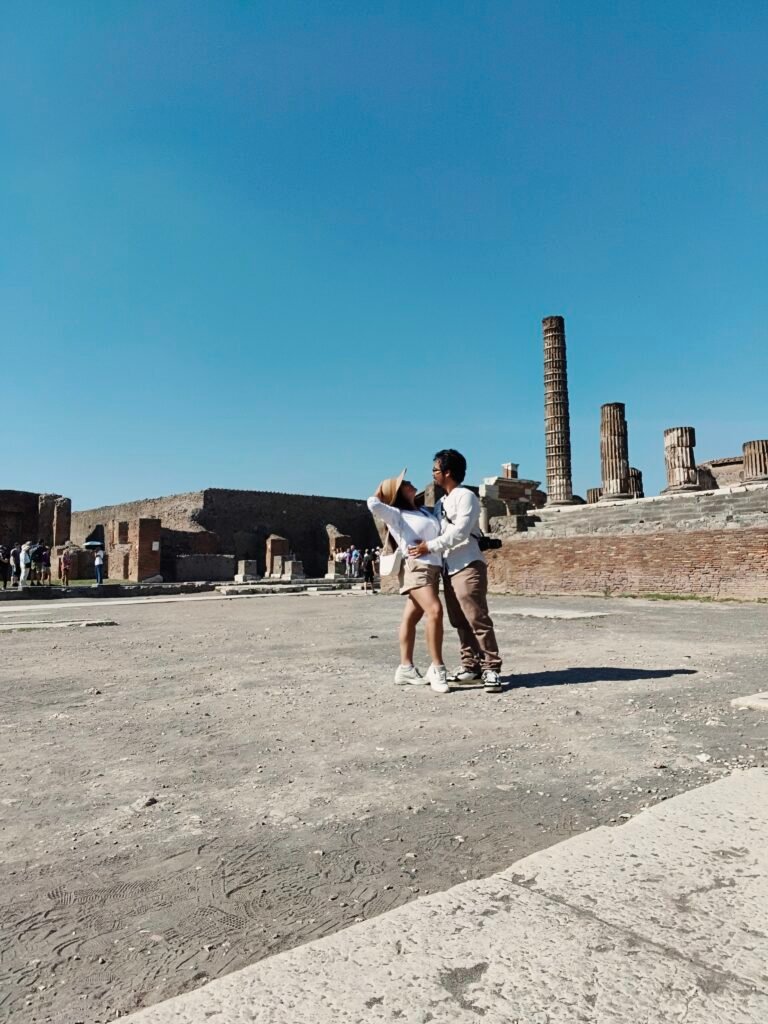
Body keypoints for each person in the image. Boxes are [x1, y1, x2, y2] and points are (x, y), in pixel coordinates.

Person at [409, 449, 503, 693]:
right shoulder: (441, 503)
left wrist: (429, 546)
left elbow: (460, 533)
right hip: (449, 568)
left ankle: (491, 667)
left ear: (448, 472)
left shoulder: (466, 497)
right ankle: (470, 665)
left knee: (477, 617)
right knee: (459, 620)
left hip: (468, 565)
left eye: (435, 470)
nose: (433, 475)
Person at [368, 469, 449, 693]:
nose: (411, 484)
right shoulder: (396, 514)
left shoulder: (424, 511)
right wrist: (384, 487)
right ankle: (437, 668)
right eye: (405, 484)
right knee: (435, 610)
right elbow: (372, 503)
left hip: (433, 568)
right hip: (416, 568)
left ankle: (405, 668)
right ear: (397, 492)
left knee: (411, 617)